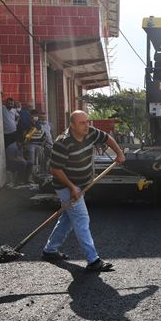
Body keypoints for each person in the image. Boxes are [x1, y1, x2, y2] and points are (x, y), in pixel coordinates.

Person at [43, 110, 125, 271]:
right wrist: (72, 187)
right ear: (72, 125)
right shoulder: (63, 142)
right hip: (66, 186)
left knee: (67, 220)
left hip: (82, 184)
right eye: (82, 123)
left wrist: (119, 153)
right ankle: (93, 260)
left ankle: (50, 250)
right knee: (81, 219)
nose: (87, 125)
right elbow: (55, 169)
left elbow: (107, 138)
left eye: (88, 121)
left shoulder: (91, 133)